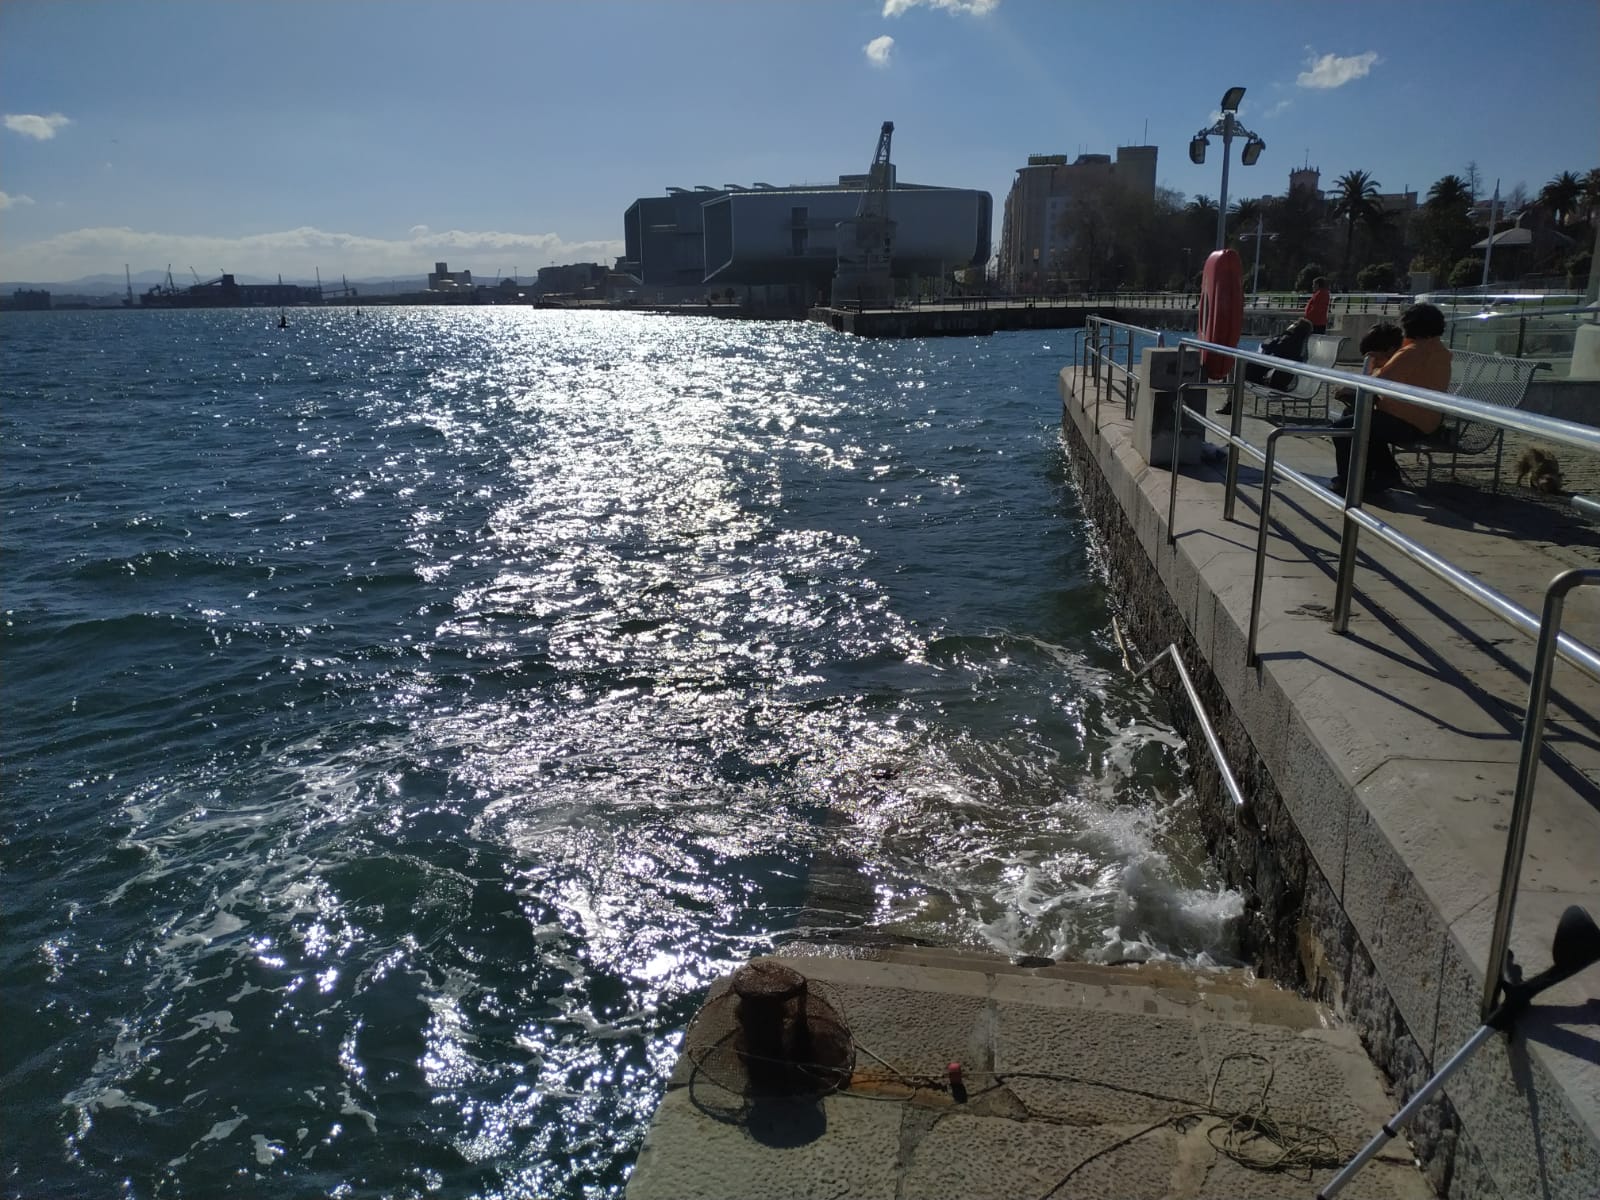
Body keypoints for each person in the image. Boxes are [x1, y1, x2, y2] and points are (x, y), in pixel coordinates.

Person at [1329, 304, 1451, 496]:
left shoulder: (1413, 352)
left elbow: (1379, 381)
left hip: (1407, 421)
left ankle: (1350, 481)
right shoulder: (1439, 351)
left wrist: (1348, 387)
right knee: (1355, 418)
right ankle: (1378, 473)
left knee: (1343, 428)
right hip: (1427, 420)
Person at [1218, 318, 1314, 414]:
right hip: (1273, 376)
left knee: (1235, 368)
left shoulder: (1289, 340)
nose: (1291, 324)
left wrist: (1285, 332)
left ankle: (1231, 403)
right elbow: (1269, 345)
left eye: (1294, 323)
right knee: (1235, 367)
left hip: (1270, 379)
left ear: (1296, 328)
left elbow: (1267, 344)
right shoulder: (1296, 344)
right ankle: (1230, 401)